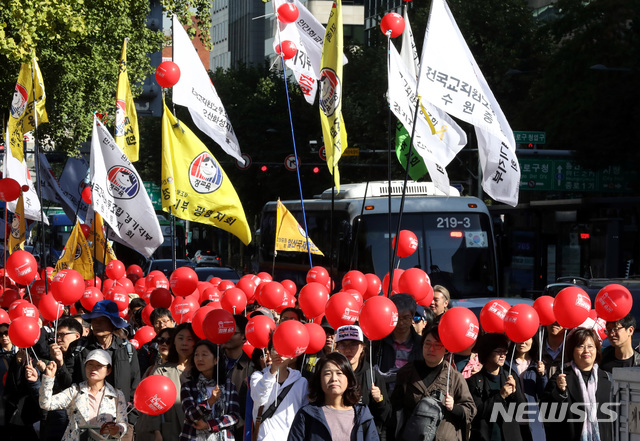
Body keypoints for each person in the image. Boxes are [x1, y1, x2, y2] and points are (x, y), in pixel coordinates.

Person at [391, 326, 476, 441]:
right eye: (427, 343)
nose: (431, 349)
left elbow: (470, 409)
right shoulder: (407, 373)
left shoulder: (455, 377)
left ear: (446, 349)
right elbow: (395, 407)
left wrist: (454, 407)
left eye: (437, 345)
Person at [36, 349, 129, 440]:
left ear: (108, 371)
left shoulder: (116, 395)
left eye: (99, 365)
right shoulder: (75, 391)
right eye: (90, 364)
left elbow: (123, 423)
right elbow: (46, 404)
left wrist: (117, 430)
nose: (93, 368)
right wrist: (48, 378)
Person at [74, 300, 141, 424]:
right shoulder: (80, 348)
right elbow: (72, 382)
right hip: (87, 420)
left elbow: (135, 386)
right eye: (94, 320)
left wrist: (130, 419)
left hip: (120, 421)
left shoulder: (127, 349)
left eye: (102, 320)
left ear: (113, 324)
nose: (97, 324)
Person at [287, 352, 380, 441]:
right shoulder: (306, 415)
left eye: (339, 373)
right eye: (327, 374)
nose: (334, 379)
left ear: (348, 378)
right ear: (319, 380)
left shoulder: (362, 415)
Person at [541, 328, 613, 441]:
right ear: (572, 350)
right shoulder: (561, 377)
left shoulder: (607, 379)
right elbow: (546, 412)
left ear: (597, 350)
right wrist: (560, 392)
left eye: (590, 346)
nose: (586, 351)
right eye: (580, 346)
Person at [467, 333, 526, 441]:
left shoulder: (510, 376)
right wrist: (500, 396)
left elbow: (521, 409)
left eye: (505, 351)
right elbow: (477, 412)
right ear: (487, 352)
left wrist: (515, 392)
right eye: (498, 351)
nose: (503, 355)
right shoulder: (474, 381)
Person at [180, 340, 241, 441]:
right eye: (196, 355)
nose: (199, 359)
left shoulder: (228, 385)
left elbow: (234, 416)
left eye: (204, 355)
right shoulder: (188, 386)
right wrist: (209, 402)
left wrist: (209, 425)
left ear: (216, 360)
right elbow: (190, 414)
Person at [334, 325, 391, 432]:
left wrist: (380, 400)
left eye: (353, 344)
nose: (348, 349)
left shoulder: (372, 376)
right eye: (342, 345)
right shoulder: (331, 374)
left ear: (362, 347)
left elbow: (385, 417)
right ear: (336, 348)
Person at [136, 327, 188, 441]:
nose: (164, 344)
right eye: (160, 340)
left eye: (168, 341)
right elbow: (151, 403)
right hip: (160, 432)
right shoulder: (154, 369)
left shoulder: (191, 369)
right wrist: (156, 431)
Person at [250, 340, 308, 441]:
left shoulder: (301, 382)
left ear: (292, 355)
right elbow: (259, 399)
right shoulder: (258, 376)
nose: (279, 353)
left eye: (285, 349)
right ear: (269, 352)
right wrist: (272, 371)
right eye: (275, 349)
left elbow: (305, 415)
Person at [372, 293, 423, 393]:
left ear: (412, 316)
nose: (401, 323)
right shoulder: (379, 342)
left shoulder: (421, 344)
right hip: (383, 397)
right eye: (398, 317)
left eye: (405, 317)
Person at [509, 336, 547, 441]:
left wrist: (542, 376)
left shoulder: (538, 364)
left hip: (533, 420)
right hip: (512, 420)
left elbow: (543, 394)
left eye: (527, 338)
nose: (522, 342)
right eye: (519, 337)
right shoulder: (506, 364)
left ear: (533, 341)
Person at [222, 314, 250, 440]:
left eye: (232, 332)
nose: (227, 336)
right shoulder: (212, 361)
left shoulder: (251, 369)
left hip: (237, 432)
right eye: (225, 331)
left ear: (244, 337)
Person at [139, 307, 176, 375]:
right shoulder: (147, 349)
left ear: (173, 322)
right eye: (157, 322)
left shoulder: (180, 344)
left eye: (165, 321)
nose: (161, 325)